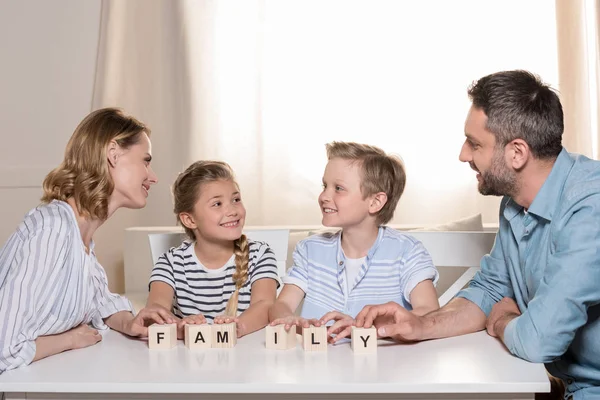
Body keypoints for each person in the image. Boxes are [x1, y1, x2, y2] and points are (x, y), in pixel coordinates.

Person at [343, 70, 600, 399]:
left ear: (517, 153)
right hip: (567, 385)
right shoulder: (515, 203)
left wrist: (505, 319)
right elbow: (490, 290)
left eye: (475, 144)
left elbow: (538, 341)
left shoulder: (590, 207)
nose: (463, 155)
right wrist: (420, 325)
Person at [0, 108, 169, 374]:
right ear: (113, 154)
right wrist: (68, 340)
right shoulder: (52, 229)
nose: (153, 176)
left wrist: (131, 323)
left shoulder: (81, 238)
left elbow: (100, 301)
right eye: (145, 161)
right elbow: (3, 349)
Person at [269, 141, 439, 339]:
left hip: (385, 366)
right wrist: (289, 320)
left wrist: (366, 326)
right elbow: (281, 306)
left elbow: (429, 312)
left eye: (338, 188)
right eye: (325, 186)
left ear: (375, 202)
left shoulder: (407, 252)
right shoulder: (310, 250)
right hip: (317, 365)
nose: (324, 195)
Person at [146, 161, 280, 338]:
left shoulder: (260, 255)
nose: (232, 210)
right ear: (190, 220)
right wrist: (180, 327)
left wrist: (238, 327)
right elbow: (156, 310)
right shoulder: (170, 263)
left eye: (236, 200)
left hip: (246, 356)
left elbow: (265, 305)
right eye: (217, 204)